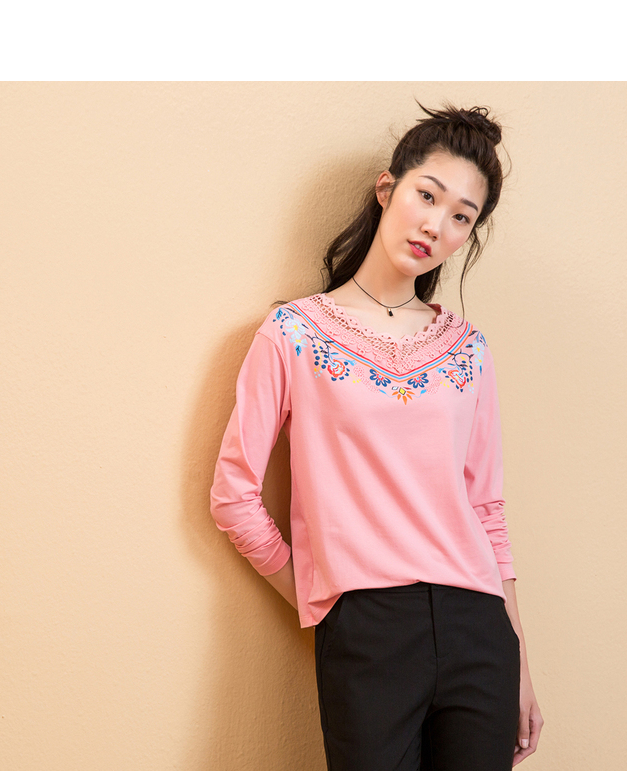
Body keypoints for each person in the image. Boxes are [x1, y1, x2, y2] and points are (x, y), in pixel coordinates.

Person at [209, 102, 543, 770]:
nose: (435, 225)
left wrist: (520, 662)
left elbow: (487, 509)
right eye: (428, 195)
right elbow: (232, 496)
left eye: (462, 216)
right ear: (388, 189)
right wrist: (325, 603)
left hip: (479, 630)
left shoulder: (468, 349)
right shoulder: (294, 332)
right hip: (366, 631)